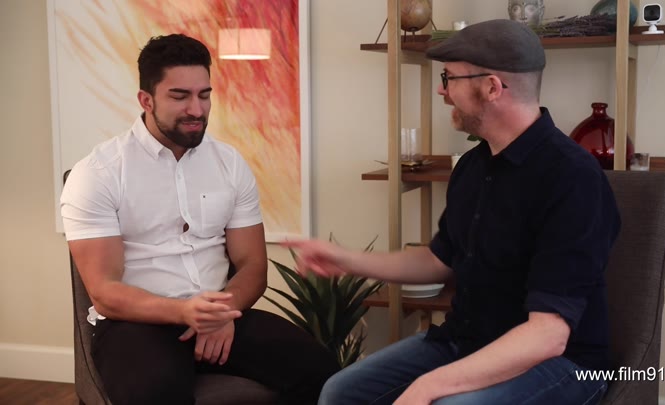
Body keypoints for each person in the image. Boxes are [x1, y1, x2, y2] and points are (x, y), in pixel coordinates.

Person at [286, 19, 619, 405]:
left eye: (449, 78)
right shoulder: (473, 167)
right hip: (466, 340)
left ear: (492, 87)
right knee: (341, 391)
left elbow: (548, 335)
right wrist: (345, 259)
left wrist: (429, 385)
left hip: (561, 362)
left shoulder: (572, 177)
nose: (441, 90)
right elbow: (438, 260)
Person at [60, 33, 339, 405]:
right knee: (157, 393)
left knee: (322, 372)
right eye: (180, 97)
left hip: (220, 312)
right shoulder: (98, 173)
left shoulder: (230, 164)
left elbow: (253, 265)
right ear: (146, 100)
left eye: (204, 95)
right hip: (135, 323)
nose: (196, 109)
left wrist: (219, 313)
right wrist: (186, 313)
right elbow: (105, 291)